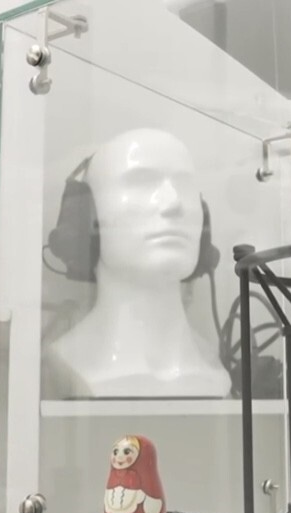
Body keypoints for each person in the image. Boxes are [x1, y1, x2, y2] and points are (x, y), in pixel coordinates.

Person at [44, 128, 230, 399]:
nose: (173, 203)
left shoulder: (214, 365)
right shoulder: (66, 361)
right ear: (85, 217)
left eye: (184, 185)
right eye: (141, 183)